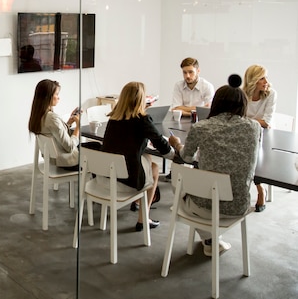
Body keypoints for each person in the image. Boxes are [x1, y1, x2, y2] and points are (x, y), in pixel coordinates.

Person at [169, 74, 261, 257]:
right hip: (238, 204)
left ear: (216, 103)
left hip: (204, 206)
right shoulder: (254, 127)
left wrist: (177, 144)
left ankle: (209, 240)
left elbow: (187, 158)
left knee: (179, 187)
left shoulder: (201, 127)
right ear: (243, 105)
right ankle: (211, 241)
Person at [101, 81, 176, 231]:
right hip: (127, 180)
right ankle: (143, 218)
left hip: (105, 176)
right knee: (154, 168)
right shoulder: (142, 120)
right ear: (141, 99)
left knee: (148, 159)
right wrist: (177, 151)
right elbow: (163, 147)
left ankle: (138, 204)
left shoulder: (113, 118)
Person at [243, 64, 277, 212]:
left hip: (264, 136)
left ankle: (260, 190)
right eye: (262, 78)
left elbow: (266, 123)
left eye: (266, 78)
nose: (266, 82)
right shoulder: (242, 94)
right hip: (245, 134)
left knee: (253, 156)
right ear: (253, 80)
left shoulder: (271, 94)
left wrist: (245, 121)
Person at [28, 79, 81, 169]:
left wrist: (68, 123)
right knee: (96, 150)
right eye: (56, 94)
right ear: (48, 97)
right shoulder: (52, 118)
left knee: (92, 148)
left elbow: (55, 135)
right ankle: (97, 181)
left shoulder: (38, 116)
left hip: (53, 160)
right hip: (68, 162)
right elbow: (70, 147)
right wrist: (78, 126)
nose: (58, 97)